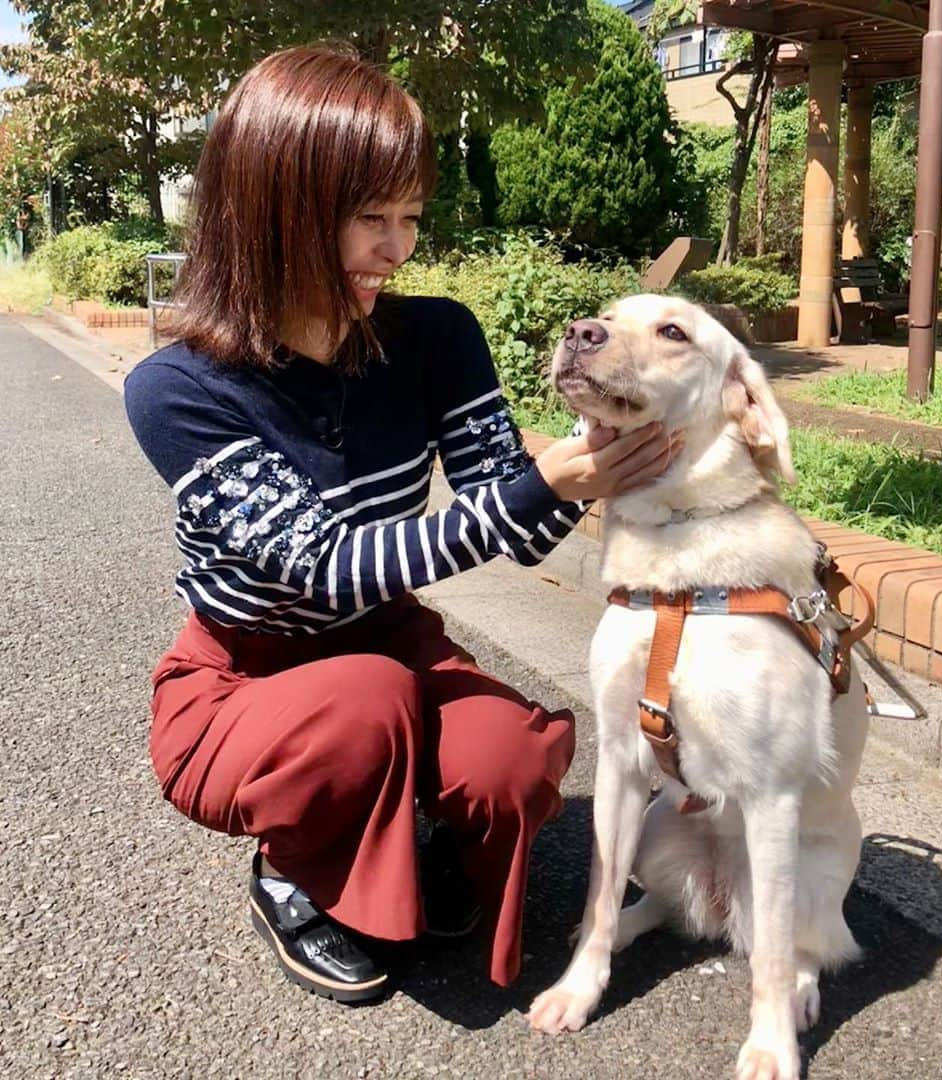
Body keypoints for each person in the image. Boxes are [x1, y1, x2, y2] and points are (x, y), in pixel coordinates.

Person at [124, 43, 681, 1006]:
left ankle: (407, 831)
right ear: (276, 212)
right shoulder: (177, 390)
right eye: (370, 219)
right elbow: (327, 568)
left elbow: (516, 523)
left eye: (411, 217)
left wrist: (594, 461)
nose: (398, 249)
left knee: (505, 761)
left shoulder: (437, 338)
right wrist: (536, 487)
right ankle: (294, 868)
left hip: (386, 647)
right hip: (243, 672)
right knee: (365, 702)